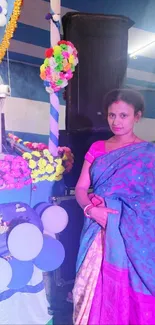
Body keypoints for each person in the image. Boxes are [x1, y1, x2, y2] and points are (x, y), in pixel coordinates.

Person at [73, 89, 155, 325]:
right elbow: (81, 189)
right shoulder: (98, 148)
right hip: (95, 230)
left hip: (133, 238)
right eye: (111, 115)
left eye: (123, 115)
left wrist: (124, 220)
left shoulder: (148, 154)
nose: (116, 122)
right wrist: (91, 210)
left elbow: (150, 201)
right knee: (88, 290)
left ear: (137, 116)